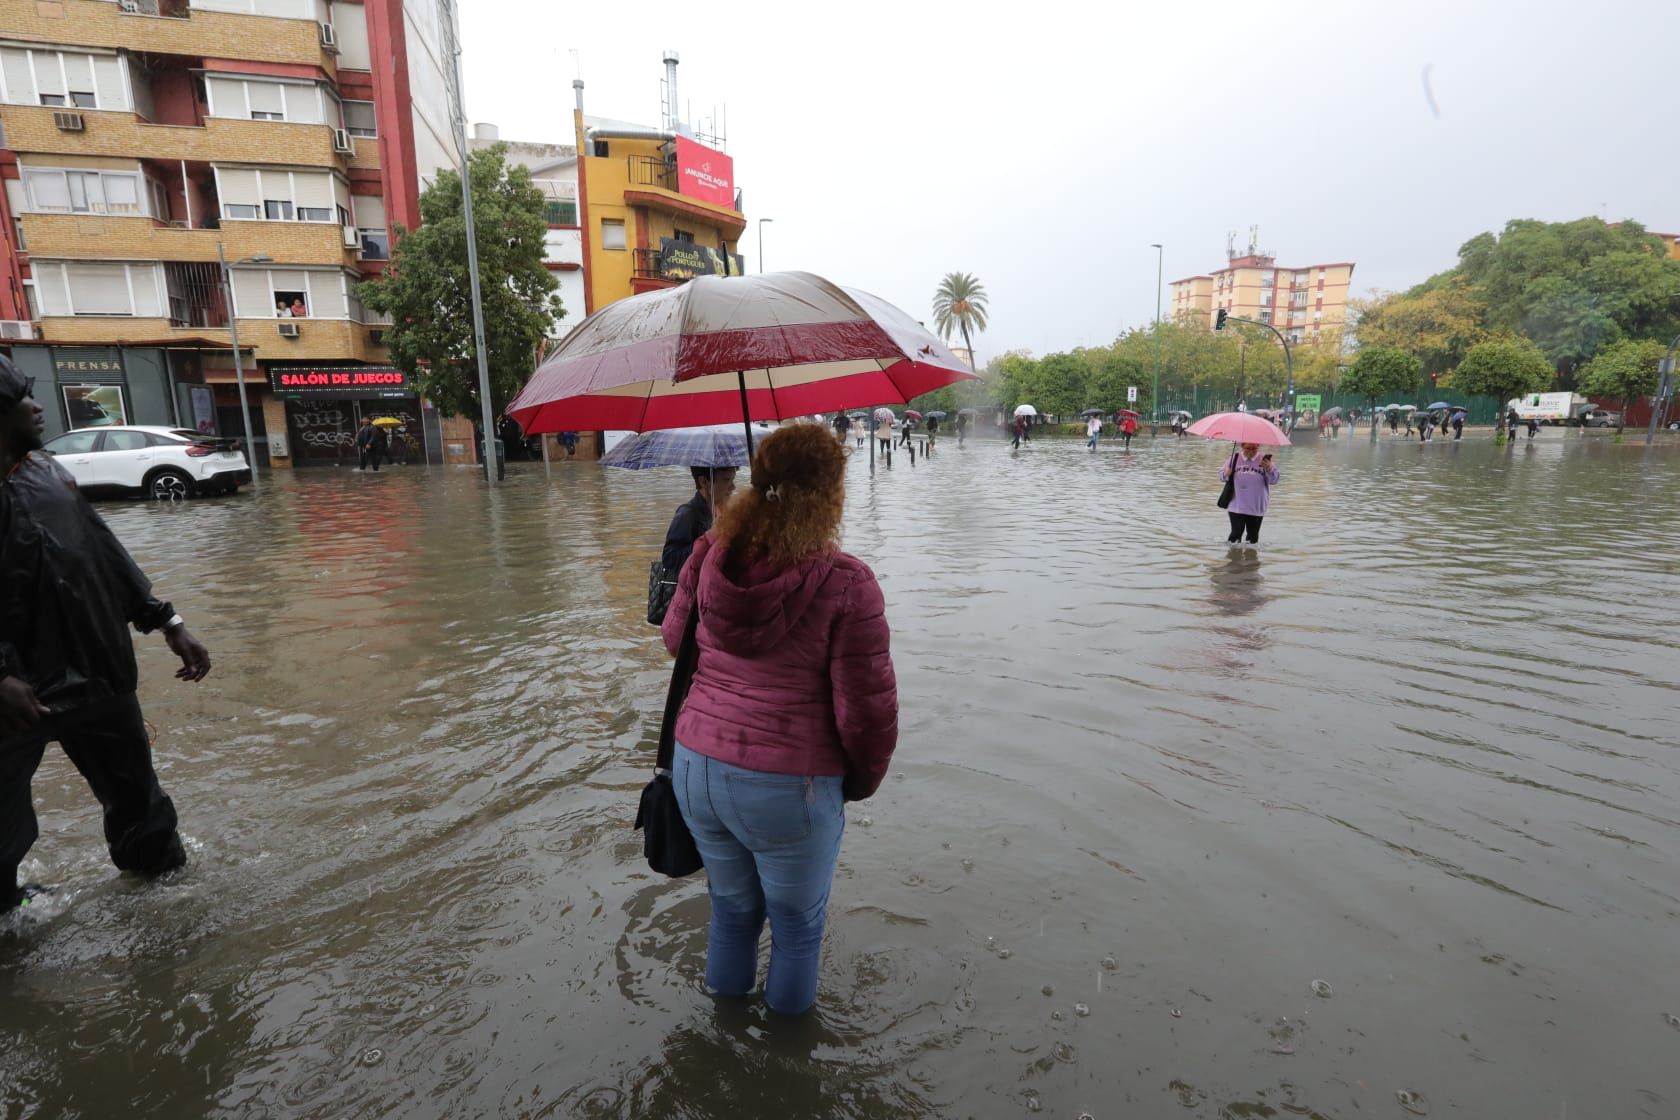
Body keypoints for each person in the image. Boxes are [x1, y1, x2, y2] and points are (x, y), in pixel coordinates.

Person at [661, 424, 897, 1016]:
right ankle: (787, 1069)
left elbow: (673, 641)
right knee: (796, 931)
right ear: (830, 494)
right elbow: (866, 711)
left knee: (733, 913)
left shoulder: (709, 552)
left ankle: (724, 1037)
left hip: (696, 768)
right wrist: (858, 784)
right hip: (790, 786)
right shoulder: (848, 582)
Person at [0, 357, 211, 912]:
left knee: (138, 799)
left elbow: (101, 550)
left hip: (98, 673)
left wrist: (166, 620)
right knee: (2, 822)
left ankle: (164, 901)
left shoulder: (48, 470)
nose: (37, 405)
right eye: (24, 397)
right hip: (16, 695)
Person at [661, 466, 738, 595]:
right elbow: (670, 558)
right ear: (704, 482)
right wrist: (708, 542)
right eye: (726, 480)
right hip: (692, 597)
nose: (733, 487)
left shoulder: (723, 511)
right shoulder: (688, 514)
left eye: (733, 480)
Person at [1220, 441, 1280, 545]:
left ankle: (1251, 559)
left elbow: (1274, 480)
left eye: (1254, 448)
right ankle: (1233, 559)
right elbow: (1221, 476)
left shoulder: (1265, 461)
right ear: (1242, 446)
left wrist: (1270, 469)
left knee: (1253, 537)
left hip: (1256, 505)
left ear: (1258, 446)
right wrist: (1226, 473)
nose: (1251, 451)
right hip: (1236, 505)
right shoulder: (1234, 458)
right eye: (1248, 448)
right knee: (1235, 536)